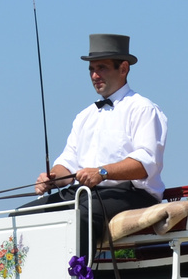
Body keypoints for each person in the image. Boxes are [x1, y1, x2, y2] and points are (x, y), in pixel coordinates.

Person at [33, 33, 168, 256]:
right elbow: (68, 162)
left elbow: (146, 163)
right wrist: (53, 178)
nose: (95, 75)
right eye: (91, 69)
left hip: (131, 194)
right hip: (85, 193)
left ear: (123, 69)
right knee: (24, 218)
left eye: (102, 68)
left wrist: (102, 172)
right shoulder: (84, 116)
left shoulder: (143, 109)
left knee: (79, 219)